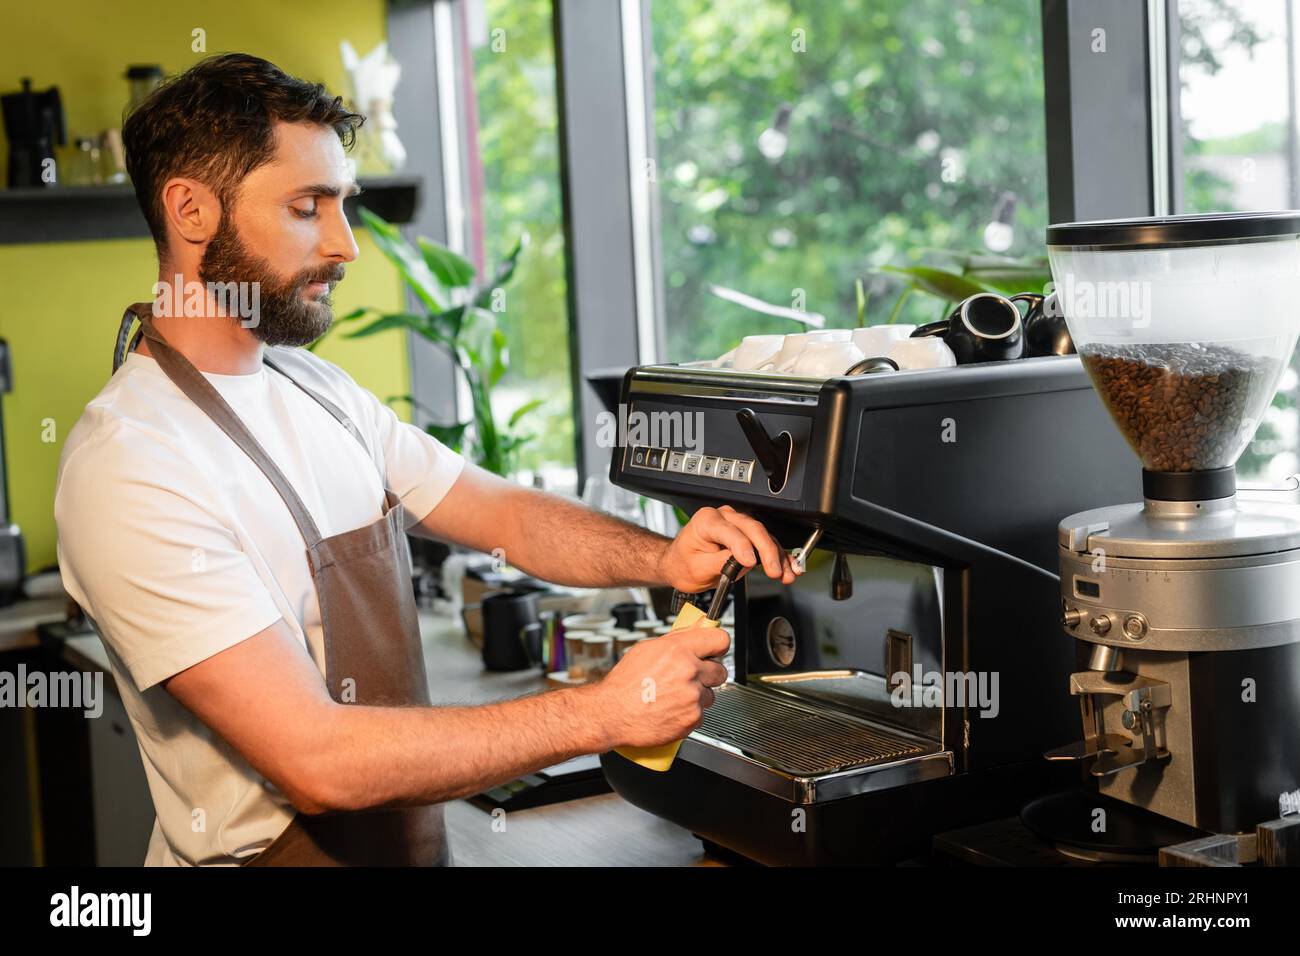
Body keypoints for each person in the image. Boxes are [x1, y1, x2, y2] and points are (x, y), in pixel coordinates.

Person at [53, 53, 800, 866]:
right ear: (190, 210)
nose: (346, 247)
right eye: (308, 208)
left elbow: (504, 515)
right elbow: (317, 762)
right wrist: (604, 713)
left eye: (342, 206)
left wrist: (663, 558)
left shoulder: (316, 389)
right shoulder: (129, 464)